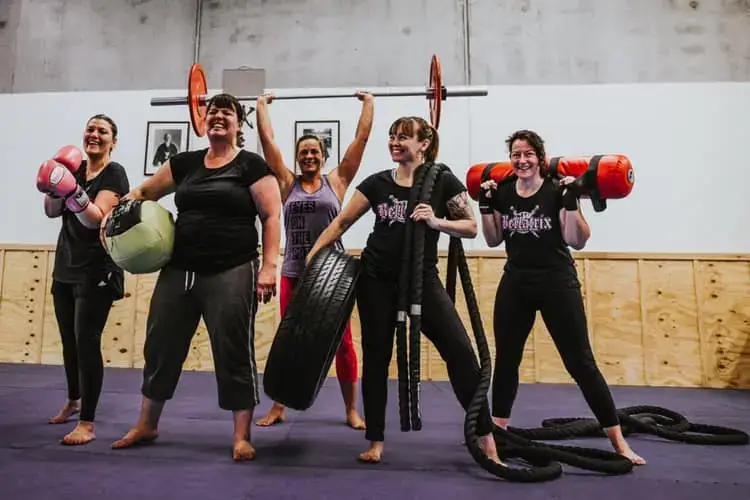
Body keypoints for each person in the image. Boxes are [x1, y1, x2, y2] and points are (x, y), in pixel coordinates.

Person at [306, 115, 501, 465]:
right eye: (393, 137)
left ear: (423, 143)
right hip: (376, 282)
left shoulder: (442, 182)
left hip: (422, 281)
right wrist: (312, 257)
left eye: (404, 138)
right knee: (377, 359)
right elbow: (342, 222)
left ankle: (486, 438)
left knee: (460, 353)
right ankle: (375, 440)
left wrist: (436, 221)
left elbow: (471, 228)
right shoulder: (378, 183)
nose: (396, 143)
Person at [107, 93, 282, 462]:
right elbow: (145, 192)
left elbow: (270, 216)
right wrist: (121, 210)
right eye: (212, 111)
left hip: (233, 267)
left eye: (227, 112)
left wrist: (269, 267)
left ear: (239, 123)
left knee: (233, 350)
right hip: (180, 269)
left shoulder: (251, 165)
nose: (218, 115)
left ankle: (241, 437)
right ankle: (147, 424)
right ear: (203, 121)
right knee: (160, 346)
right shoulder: (184, 164)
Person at [477, 129, 646, 465]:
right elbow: (494, 239)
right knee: (507, 360)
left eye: (528, 154)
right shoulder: (506, 192)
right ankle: (498, 436)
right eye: (516, 154)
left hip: (557, 284)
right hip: (516, 283)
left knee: (581, 363)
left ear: (540, 157)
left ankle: (618, 442)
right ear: (510, 160)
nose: (522, 160)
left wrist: (571, 201)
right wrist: (485, 204)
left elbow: (577, 239)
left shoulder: (557, 189)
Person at [253, 91, 374, 430]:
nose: (309, 155)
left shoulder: (336, 182)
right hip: (294, 274)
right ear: (297, 157)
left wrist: (369, 104)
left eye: (314, 151)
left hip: (332, 279)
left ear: (323, 156)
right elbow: (267, 141)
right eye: (303, 151)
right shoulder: (287, 183)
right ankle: (278, 407)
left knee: (344, 344)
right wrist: (261, 106)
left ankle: (351, 410)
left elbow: (361, 140)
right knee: (288, 341)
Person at [37, 114, 130, 445]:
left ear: (112, 142)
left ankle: (87, 423)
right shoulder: (73, 169)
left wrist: (72, 189)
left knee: (86, 340)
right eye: (90, 129)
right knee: (69, 340)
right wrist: (52, 181)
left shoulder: (114, 173)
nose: (94, 135)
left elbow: (96, 220)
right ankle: (74, 400)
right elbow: (51, 212)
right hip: (66, 265)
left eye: (102, 131)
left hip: (97, 269)